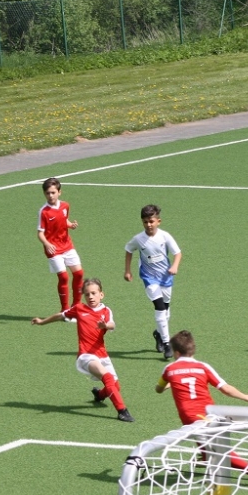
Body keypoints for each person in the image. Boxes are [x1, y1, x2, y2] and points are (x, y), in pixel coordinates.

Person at [156, 330, 248, 484]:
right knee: (208, 441)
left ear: (176, 352)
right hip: (209, 413)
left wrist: (171, 383)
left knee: (219, 451)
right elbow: (225, 389)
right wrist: (245, 396)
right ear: (192, 350)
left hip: (191, 416)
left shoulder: (169, 369)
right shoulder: (203, 367)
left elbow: (159, 389)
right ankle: (205, 457)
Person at [32, 279, 134, 422]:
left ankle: (99, 395)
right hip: (86, 356)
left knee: (115, 387)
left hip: (102, 355)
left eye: (93, 293)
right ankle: (122, 411)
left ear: (101, 294)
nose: (90, 297)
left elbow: (112, 324)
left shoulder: (106, 311)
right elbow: (60, 316)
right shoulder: (79, 308)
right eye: (87, 294)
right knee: (108, 378)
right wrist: (42, 322)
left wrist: (105, 325)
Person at [124, 204, 182, 360]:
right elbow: (129, 249)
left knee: (166, 310)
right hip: (149, 277)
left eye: (151, 221)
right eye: (145, 222)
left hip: (165, 277)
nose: (149, 225)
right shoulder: (138, 239)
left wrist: (175, 266)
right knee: (160, 307)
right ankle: (167, 344)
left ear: (158, 221)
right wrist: (128, 270)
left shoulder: (165, 236)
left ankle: (158, 333)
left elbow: (177, 253)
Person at [37, 178, 84, 311]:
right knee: (63, 277)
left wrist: (71, 225)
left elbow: (64, 220)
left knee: (79, 274)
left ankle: (76, 306)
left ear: (59, 192)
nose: (50, 196)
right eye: (47, 193)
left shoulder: (65, 206)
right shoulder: (44, 212)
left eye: (53, 192)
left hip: (67, 245)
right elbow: (40, 233)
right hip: (53, 249)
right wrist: (47, 244)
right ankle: (65, 310)